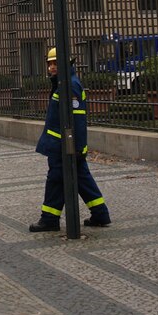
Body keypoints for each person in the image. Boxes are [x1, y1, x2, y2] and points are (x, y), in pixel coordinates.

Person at [29, 47, 112, 232]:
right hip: (63, 144)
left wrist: (78, 147)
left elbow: (78, 119)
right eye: (49, 63)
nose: (51, 67)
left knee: (56, 180)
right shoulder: (63, 83)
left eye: (56, 63)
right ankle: (100, 213)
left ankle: (49, 219)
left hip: (63, 145)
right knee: (82, 179)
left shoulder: (69, 85)